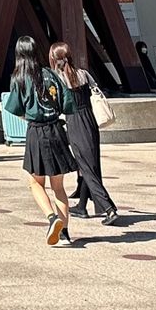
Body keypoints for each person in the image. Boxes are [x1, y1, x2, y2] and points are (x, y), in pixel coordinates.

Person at [1, 36, 77, 247]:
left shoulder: (19, 78)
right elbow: (67, 104)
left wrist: (31, 115)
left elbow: (15, 109)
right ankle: (65, 233)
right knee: (58, 187)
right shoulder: (50, 74)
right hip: (56, 129)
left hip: (36, 131)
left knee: (35, 182)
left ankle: (52, 219)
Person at [50, 42, 119, 225]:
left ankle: (109, 208)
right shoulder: (83, 74)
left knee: (86, 168)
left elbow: (57, 104)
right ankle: (81, 206)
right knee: (90, 164)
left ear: (55, 60)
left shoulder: (59, 79)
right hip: (90, 120)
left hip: (75, 123)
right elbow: (95, 90)